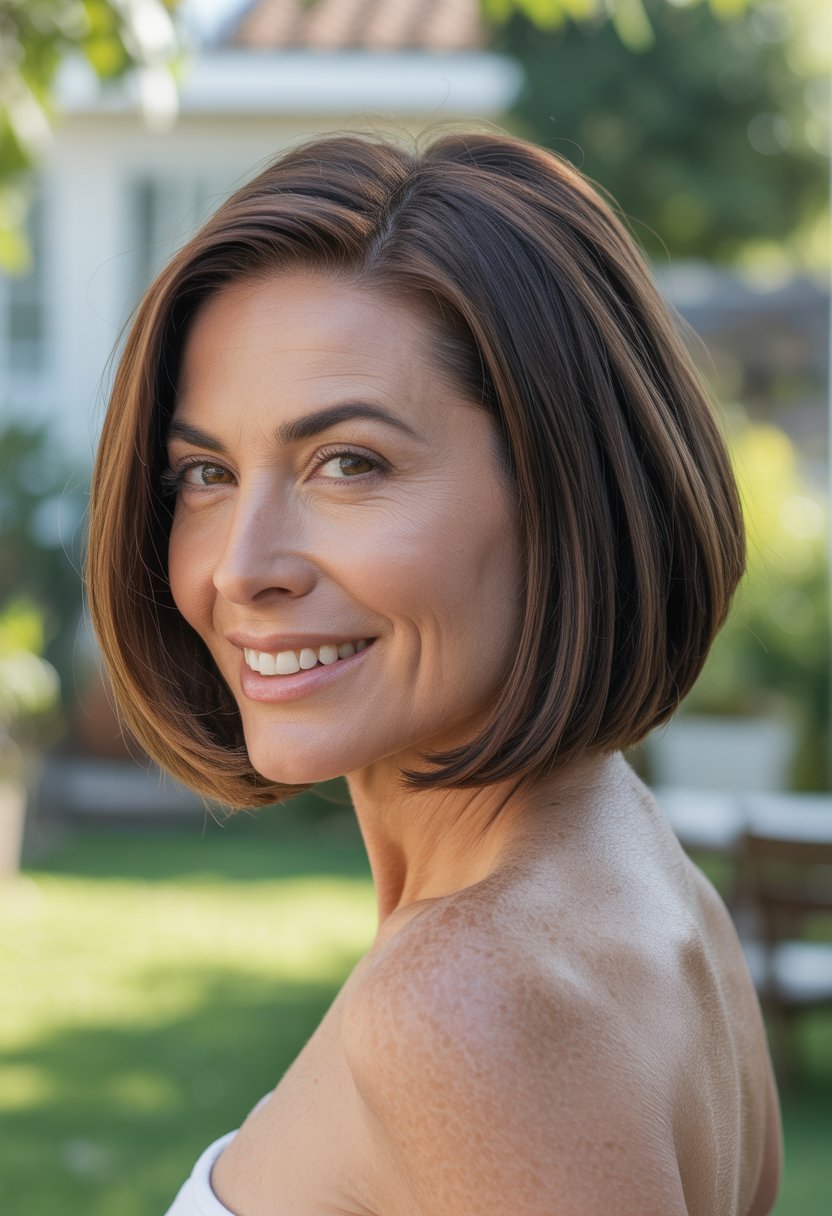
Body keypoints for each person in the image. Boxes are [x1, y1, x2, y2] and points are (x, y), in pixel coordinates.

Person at [86, 128, 782, 1216]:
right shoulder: (640, 875)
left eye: (349, 462)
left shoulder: (464, 1001)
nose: (242, 566)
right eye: (206, 472)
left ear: (567, 489)